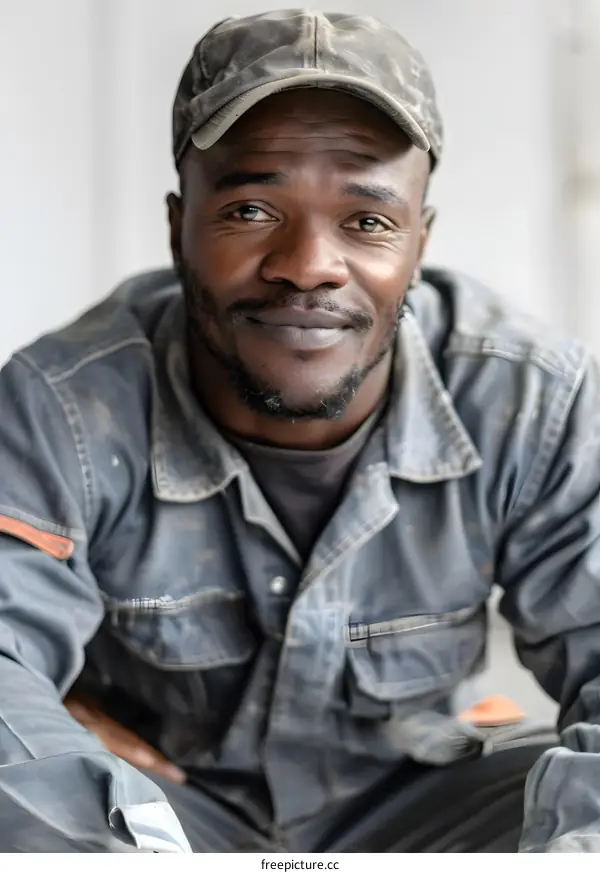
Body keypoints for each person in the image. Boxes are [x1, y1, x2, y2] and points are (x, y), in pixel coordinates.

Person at [0, 8, 599, 854]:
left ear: (419, 244)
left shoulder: (535, 402)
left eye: (368, 220)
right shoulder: (62, 406)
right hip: (164, 810)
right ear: (178, 229)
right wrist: (72, 783)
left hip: (426, 806)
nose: (308, 263)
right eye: (250, 208)